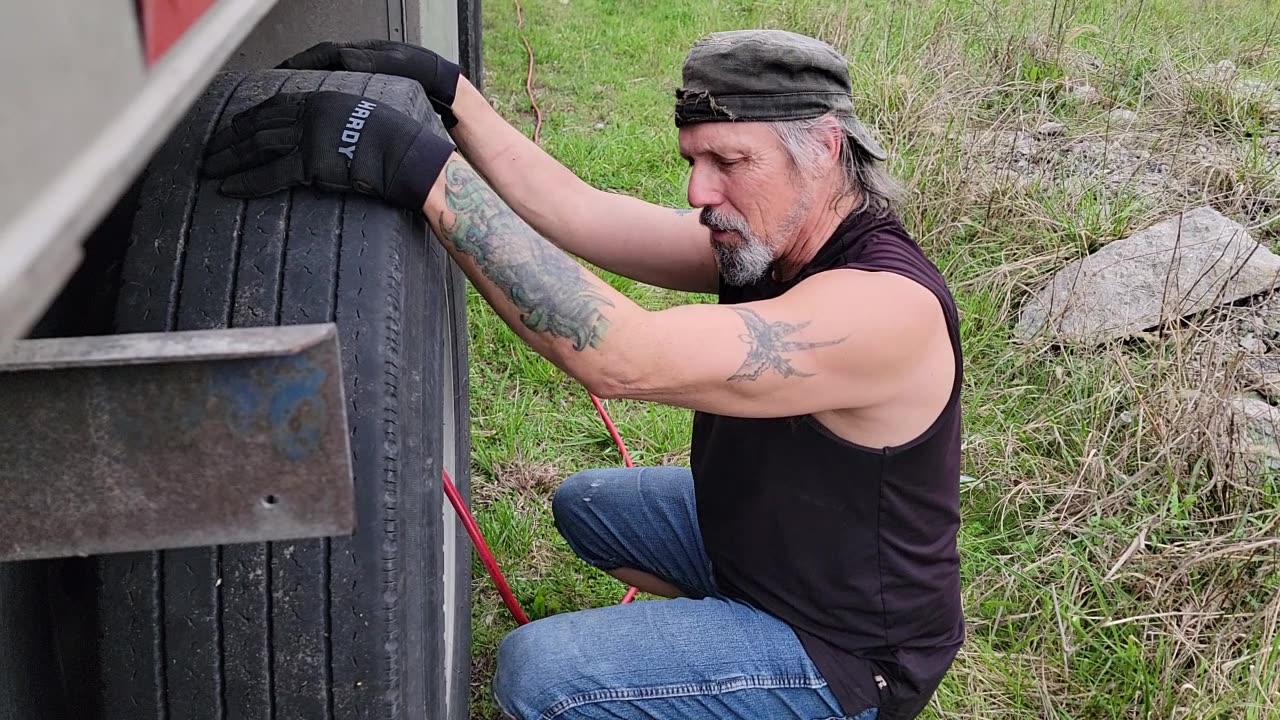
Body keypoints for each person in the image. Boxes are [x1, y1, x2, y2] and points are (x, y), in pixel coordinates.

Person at [204, 28, 964, 720]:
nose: (701, 192)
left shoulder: (882, 309)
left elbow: (620, 355)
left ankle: (777, 688)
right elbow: (580, 212)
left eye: (729, 162)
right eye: (693, 161)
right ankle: (731, 632)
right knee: (589, 504)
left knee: (540, 674)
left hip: (848, 654)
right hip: (775, 558)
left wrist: (419, 172)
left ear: (826, 148)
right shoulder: (771, 236)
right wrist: (449, 91)